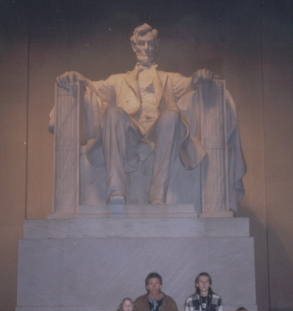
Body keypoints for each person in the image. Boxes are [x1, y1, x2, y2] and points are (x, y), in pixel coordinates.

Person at [55, 24, 219, 206]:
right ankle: (116, 190)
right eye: (141, 43)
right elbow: (94, 86)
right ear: (134, 46)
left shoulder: (169, 78)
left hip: (159, 131)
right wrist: (78, 78)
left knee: (172, 116)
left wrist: (199, 76)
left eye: (150, 44)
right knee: (112, 112)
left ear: (156, 46)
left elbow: (190, 82)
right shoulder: (118, 80)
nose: (145, 48)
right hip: (130, 133)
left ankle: (158, 194)